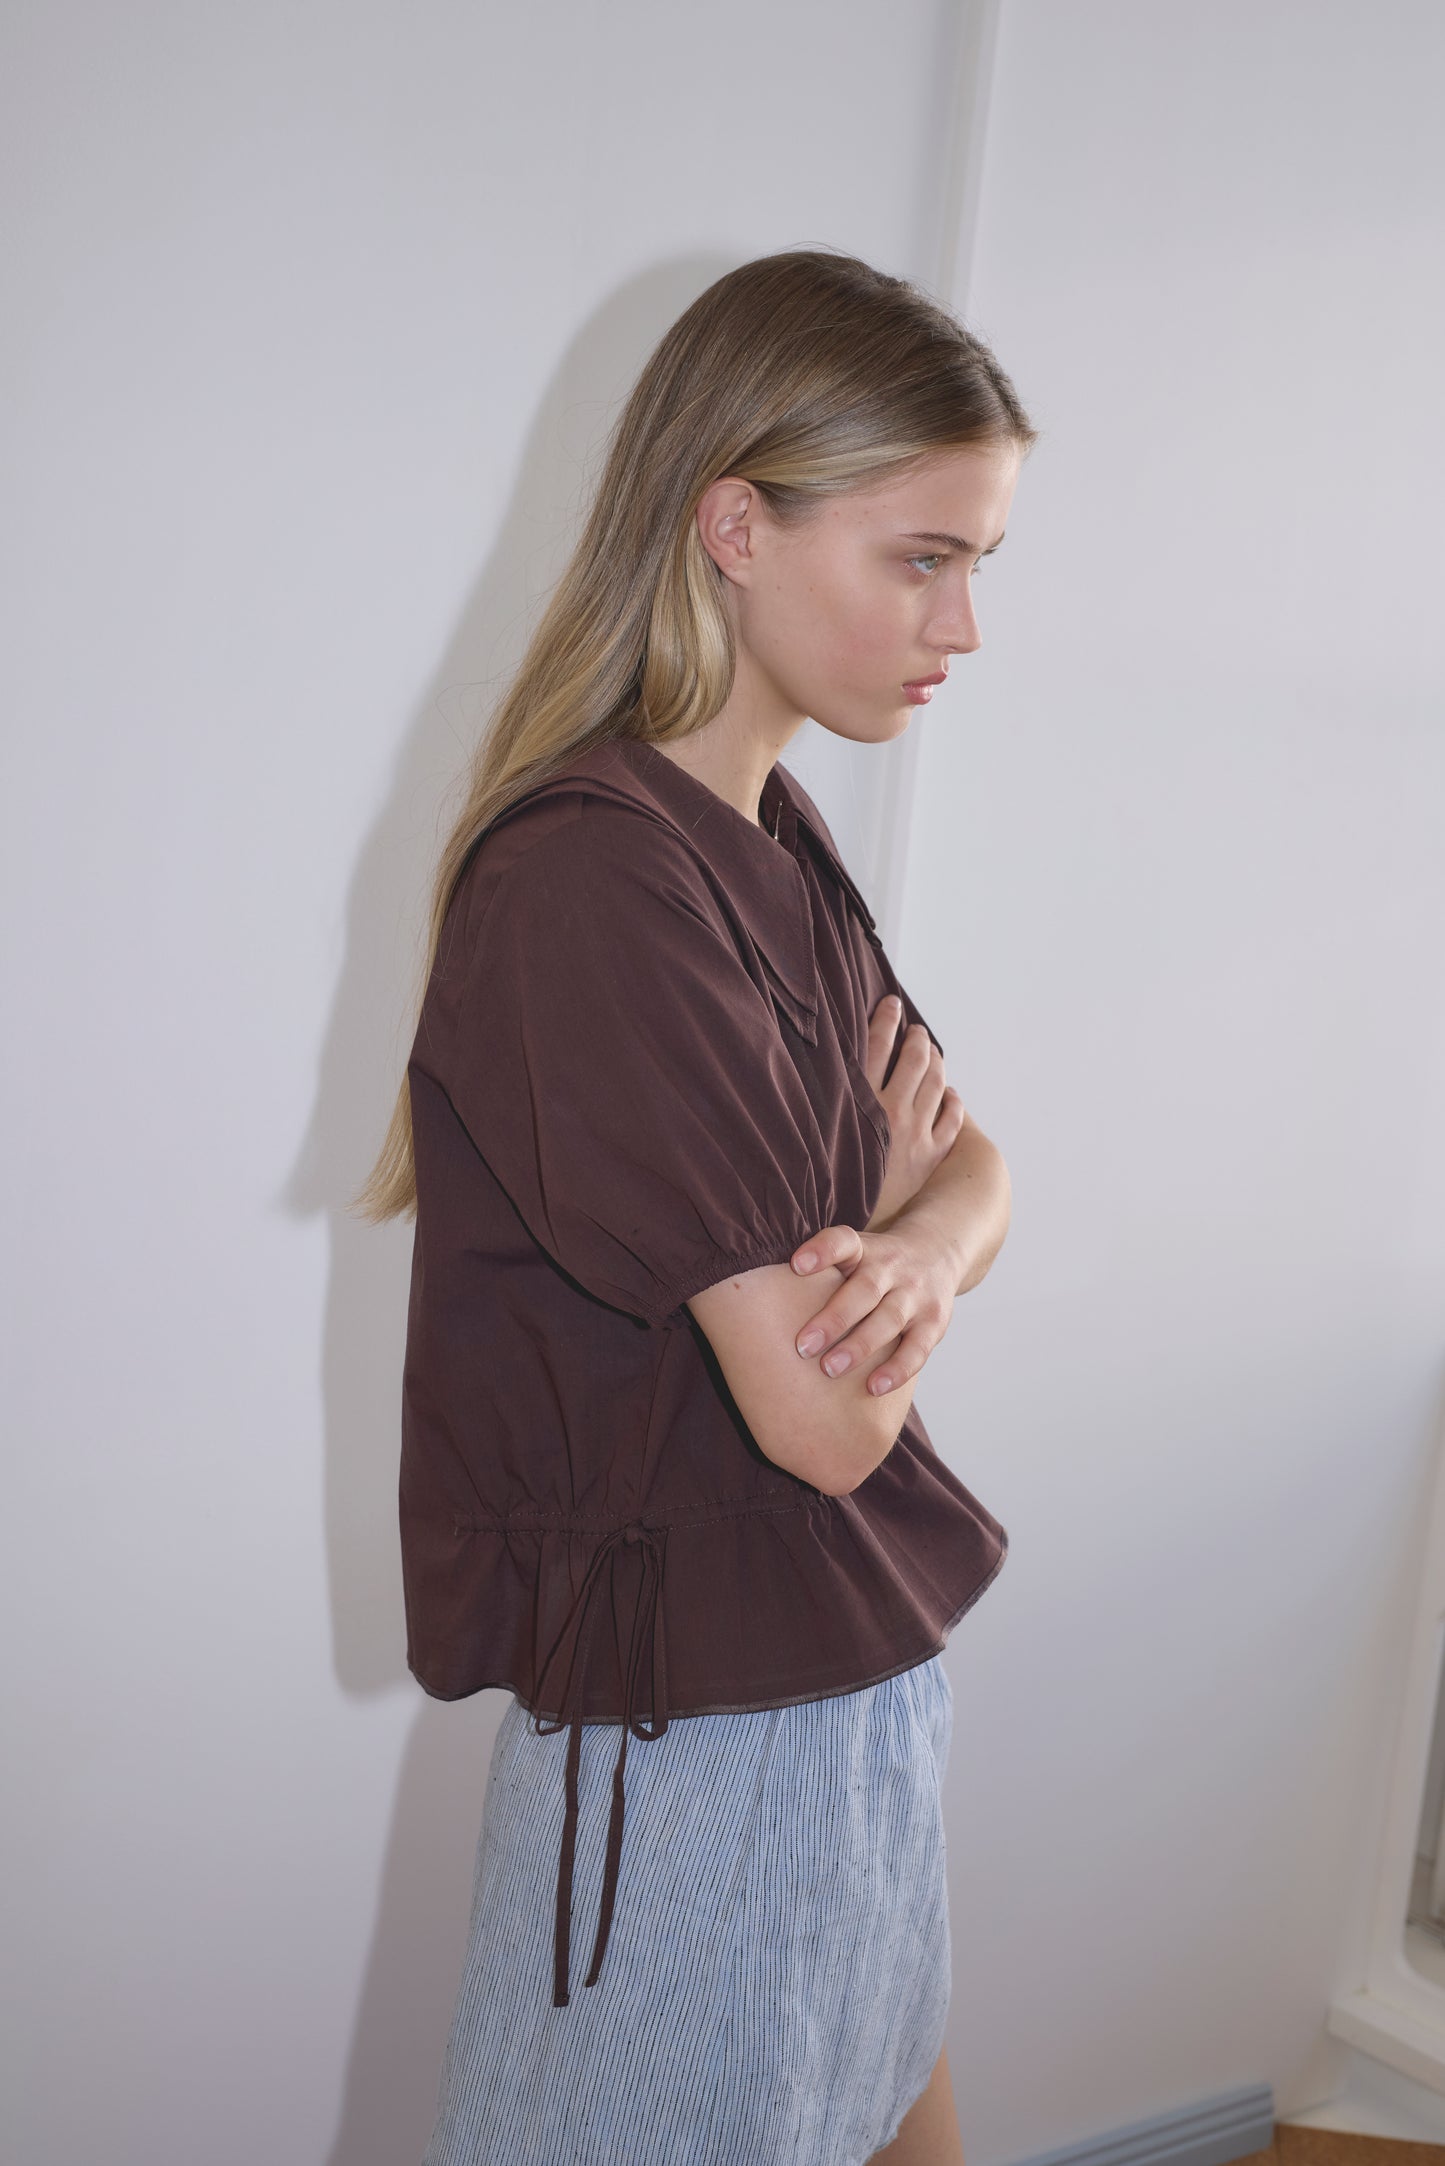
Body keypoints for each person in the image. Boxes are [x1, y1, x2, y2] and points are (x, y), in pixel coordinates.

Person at [353, 246, 1037, 2166]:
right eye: (923, 556)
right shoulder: (592, 884)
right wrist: (908, 1258)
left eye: (976, 561)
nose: (962, 624)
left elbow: (975, 1169)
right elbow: (823, 1422)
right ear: (734, 524)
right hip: (702, 1745)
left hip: (850, 1688)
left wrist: (908, 1247)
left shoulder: (768, 834)